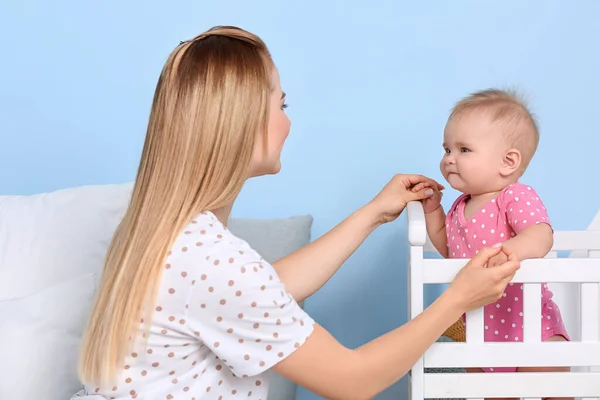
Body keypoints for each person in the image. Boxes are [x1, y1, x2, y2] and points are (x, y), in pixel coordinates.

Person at [72, 26, 520, 400]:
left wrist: (373, 213)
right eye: (281, 105)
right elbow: (352, 377)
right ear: (242, 122)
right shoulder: (209, 261)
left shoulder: (167, 234)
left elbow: (263, 288)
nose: (287, 121)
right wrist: (458, 298)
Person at [412, 89, 570, 400]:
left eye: (464, 149)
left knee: (554, 391)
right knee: (491, 394)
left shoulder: (514, 196)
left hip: (531, 325)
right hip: (479, 330)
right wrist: (433, 212)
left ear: (508, 162)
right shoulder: (459, 206)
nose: (449, 159)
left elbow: (541, 235)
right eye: (446, 149)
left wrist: (512, 252)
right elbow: (449, 249)